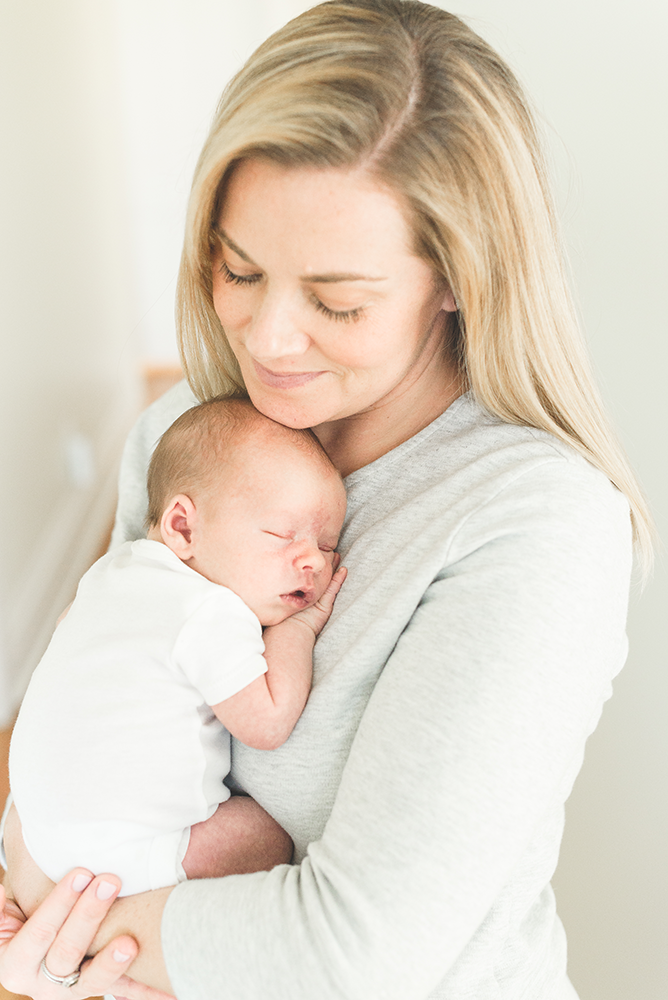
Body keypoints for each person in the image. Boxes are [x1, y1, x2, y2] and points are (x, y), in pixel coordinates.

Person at [0, 1, 652, 998]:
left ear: (456, 280)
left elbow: (354, 956)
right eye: (239, 267)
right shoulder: (185, 432)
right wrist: (24, 881)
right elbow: (97, 708)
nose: (265, 339)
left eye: (337, 302)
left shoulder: (535, 526)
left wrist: (70, 927)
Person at [8, 398, 347, 898]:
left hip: (34, 838)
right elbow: (267, 723)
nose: (313, 563)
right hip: (125, 856)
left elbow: (67, 635)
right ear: (183, 527)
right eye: (281, 534)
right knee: (264, 834)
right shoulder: (209, 610)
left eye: (326, 545)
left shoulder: (109, 574)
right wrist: (299, 627)